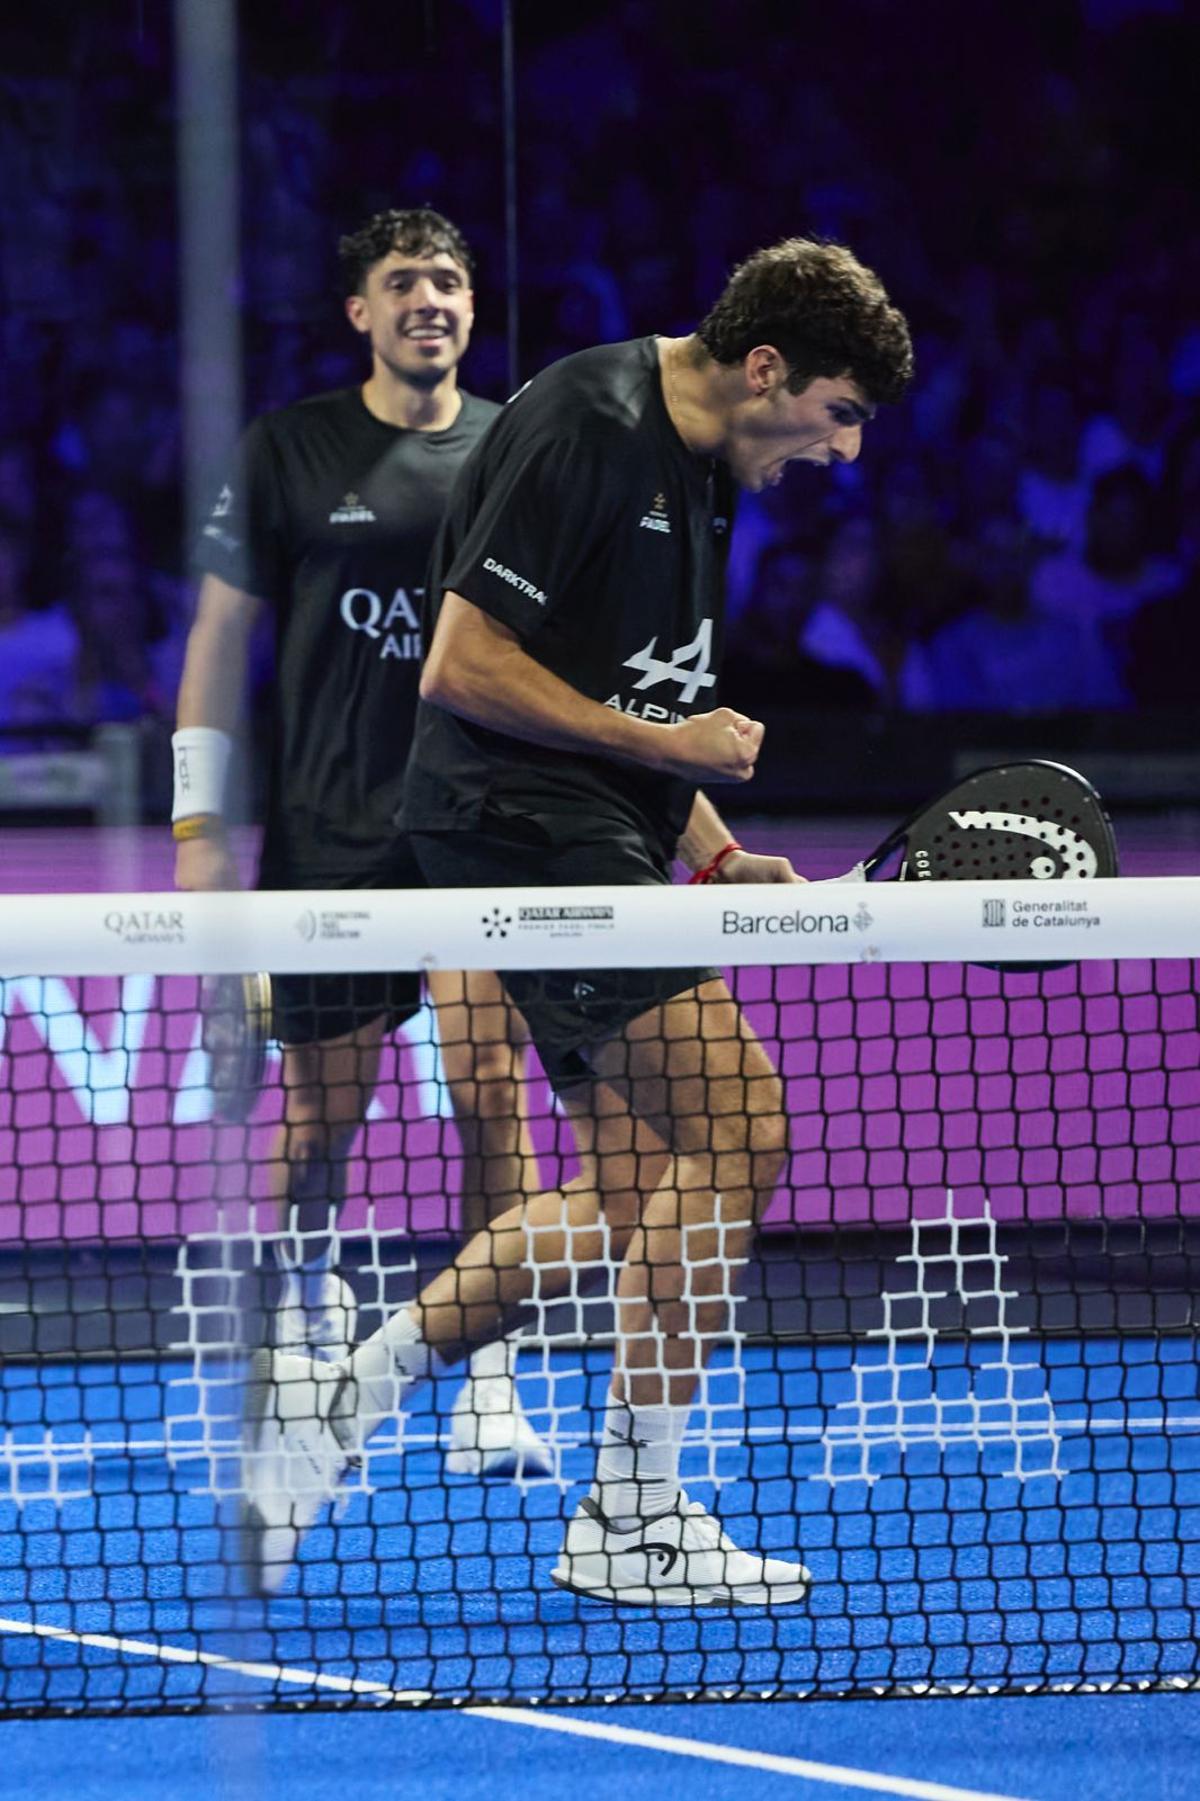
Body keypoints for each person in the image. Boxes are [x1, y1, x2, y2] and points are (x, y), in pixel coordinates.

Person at [242, 236, 913, 1605]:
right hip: (518, 825)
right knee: (741, 1125)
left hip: (585, 827)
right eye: (839, 413)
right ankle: (631, 1515)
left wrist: (716, 856)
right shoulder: (588, 423)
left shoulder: (708, 466)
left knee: (626, 1189)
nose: (843, 450)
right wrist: (674, 755)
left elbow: (635, 692)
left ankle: (342, 1398)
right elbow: (460, 664)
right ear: (767, 368)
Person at [173, 206, 550, 1478]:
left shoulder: (514, 446)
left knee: (490, 1084)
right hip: (329, 834)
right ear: (361, 311)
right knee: (321, 1114)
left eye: (447, 280)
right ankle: (305, 1300)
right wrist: (196, 824)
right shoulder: (288, 449)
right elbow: (218, 639)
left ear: (471, 306)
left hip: (474, 826)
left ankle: (490, 1379)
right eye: (402, 282)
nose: (427, 299)